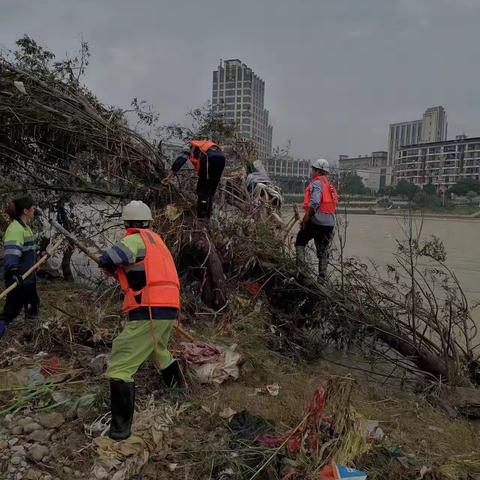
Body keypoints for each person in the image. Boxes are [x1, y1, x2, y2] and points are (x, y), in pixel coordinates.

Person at [98, 200, 186, 440]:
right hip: (168, 309)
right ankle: (181, 395)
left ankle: (119, 431)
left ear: (127, 223)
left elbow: (110, 258)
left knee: (120, 366)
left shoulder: (134, 240)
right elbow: (140, 271)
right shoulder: (157, 242)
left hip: (148, 309)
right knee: (159, 351)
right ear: (148, 221)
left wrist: (104, 263)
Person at [0, 195, 39, 338]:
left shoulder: (25, 227)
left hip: (28, 278)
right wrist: (13, 271)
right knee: (11, 311)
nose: (34, 210)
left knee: (33, 305)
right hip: (18, 279)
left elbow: (29, 249)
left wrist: (40, 254)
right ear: (25, 211)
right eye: (32, 208)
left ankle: (32, 337)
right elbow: (12, 253)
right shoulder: (15, 229)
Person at [295, 159, 338, 281]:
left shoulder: (317, 183)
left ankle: (301, 271)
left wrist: (306, 218)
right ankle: (322, 278)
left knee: (300, 241)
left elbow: (314, 202)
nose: (311, 172)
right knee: (323, 251)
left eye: (313, 169)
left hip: (316, 221)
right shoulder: (330, 186)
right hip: (329, 223)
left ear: (318, 171)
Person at [163, 140, 226, 218]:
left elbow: (181, 160)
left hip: (208, 158)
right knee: (211, 189)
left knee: (202, 190)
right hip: (222, 158)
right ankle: (208, 214)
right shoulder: (202, 144)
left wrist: (170, 175)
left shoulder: (189, 146)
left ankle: (201, 216)